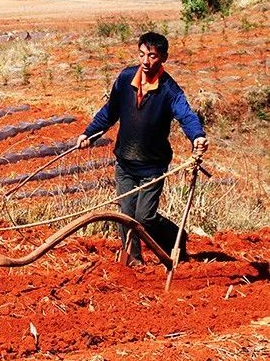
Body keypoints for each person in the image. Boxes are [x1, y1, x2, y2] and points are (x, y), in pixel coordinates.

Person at [76, 32, 208, 266]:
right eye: (142, 55)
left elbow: (187, 116)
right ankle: (134, 260)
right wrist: (90, 133)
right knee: (125, 216)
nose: (146, 61)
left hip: (152, 166)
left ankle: (176, 239)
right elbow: (110, 112)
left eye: (153, 56)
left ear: (163, 58)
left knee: (144, 218)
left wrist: (197, 136)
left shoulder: (170, 90)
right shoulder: (126, 80)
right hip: (125, 162)